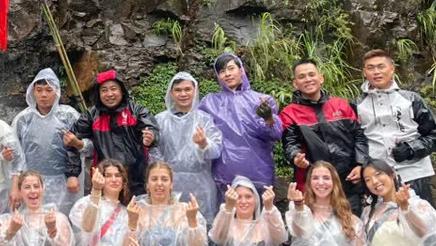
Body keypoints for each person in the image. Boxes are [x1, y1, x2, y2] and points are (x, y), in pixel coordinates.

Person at [356, 50, 436, 204]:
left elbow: (434, 134)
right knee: (384, 224)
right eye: (371, 68)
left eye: (381, 66)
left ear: (392, 69)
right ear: (364, 72)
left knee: (418, 220)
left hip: (414, 171)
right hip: (378, 176)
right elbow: (355, 140)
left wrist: (411, 148)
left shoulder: (411, 99)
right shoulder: (357, 105)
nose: (376, 72)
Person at [280, 60, 368, 207]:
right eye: (302, 77)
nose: (308, 79)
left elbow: (359, 136)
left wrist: (360, 164)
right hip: (313, 184)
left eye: (311, 74)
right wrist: (296, 157)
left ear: (321, 78)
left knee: (352, 226)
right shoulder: (290, 113)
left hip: (348, 182)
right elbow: (290, 143)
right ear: (295, 83)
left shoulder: (341, 105)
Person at [199, 54, 282, 198]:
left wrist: (269, 118)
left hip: (258, 172)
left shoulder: (261, 100)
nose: (228, 74)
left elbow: (275, 135)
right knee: (227, 217)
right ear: (218, 76)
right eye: (222, 71)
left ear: (241, 70)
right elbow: (198, 133)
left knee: (262, 217)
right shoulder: (210, 103)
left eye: (231, 68)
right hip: (224, 173)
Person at [63, 70, 159, 195]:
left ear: (122, 91)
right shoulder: (91, 115)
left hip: (137, 178)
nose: (109, 94)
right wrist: (72, 174)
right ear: (98, 94)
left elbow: (152, 129)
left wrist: (150, 138)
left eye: (113, 89)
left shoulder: (137, 111)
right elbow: (71, 140)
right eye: (104, 90)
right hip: (104, 179)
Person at [151, 71, 224, 222]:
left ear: (195, 91)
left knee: (200, 229)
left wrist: (204, 144)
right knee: (170, 228)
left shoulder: (204, 119)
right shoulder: (160, 120)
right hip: (168, 185)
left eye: (187, 89)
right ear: (171, 93)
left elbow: (217, 150)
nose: (183, 94)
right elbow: (154, 153)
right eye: (178, 90)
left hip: (200, 187)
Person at [12, 68, 84, 215]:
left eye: (48, 90)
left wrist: (77, 144)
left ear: (57, 92)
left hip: (63, 182)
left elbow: (87, 146)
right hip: (31, 184)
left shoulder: (68, 115)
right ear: (33, 92)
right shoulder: (23, 119)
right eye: (39, 90)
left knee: (63, 222)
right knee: (33, 221)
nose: (44, 95)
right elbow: (17, 155)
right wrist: (16, 186)